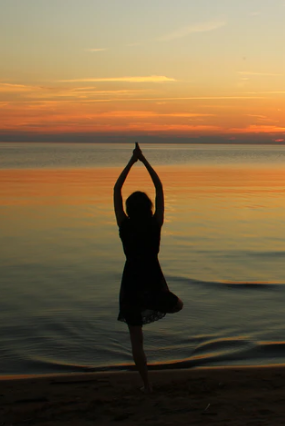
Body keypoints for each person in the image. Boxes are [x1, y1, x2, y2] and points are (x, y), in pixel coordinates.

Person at [113, 142, 183, 393]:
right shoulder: (155, 224)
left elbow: (117, 189)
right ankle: (153, 302)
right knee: (178, 305)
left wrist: (132, 162)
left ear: (129, 210)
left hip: (131, 283)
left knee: (136, 340)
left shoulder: (125, 225)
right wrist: (144, 161)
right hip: (152, 281)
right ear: (150, 208)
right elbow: (159, 187)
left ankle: (147, 386)